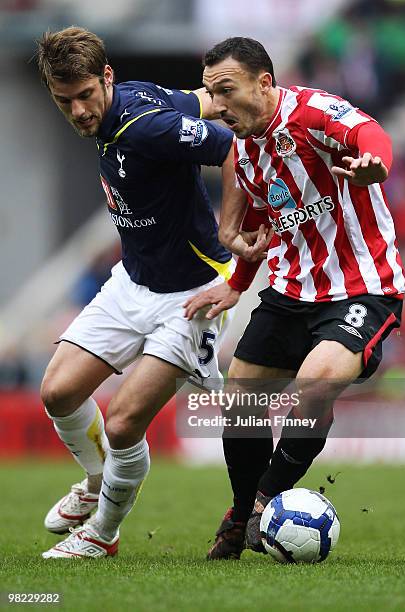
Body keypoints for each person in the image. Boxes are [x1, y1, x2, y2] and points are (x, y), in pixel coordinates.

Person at [34, 27, 269, 559]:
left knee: (121, 422)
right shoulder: (134, 99)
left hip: (191, 294)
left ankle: (102, 533)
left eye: (85, 96)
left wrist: (232, 228)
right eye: (63, 101)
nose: (77, 111)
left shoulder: (148, 128)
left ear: (106, 78)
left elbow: (230, 145)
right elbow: (204, 100)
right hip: (133, 279)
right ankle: (96, 482)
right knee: (58, 392)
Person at [184, 37, 405, 560]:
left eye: (227, 91)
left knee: (316, 383)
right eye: (211, 93)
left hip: (363, 285)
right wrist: (237, 283)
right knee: (241, 398)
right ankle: (242, 515)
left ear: (264, 83)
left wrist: (376, 162)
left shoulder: (310, 112)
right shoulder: (243, 153)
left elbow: (367, 131)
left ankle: (264, 502)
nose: (217, 106)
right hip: (290, 289)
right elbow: (261, 231)